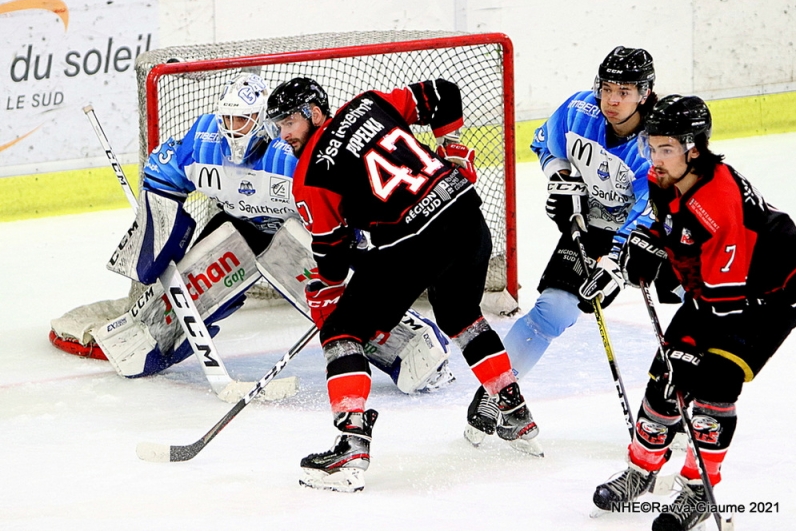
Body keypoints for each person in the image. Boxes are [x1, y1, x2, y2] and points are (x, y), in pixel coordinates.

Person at [91, 72, 453, 395]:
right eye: (228, 118)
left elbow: (347, 195)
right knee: (206, 266)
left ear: (264, 121)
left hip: (299, 230)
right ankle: (151, 332)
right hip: (240, 225)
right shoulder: (205, 139)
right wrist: (158, 227)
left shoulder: (294, 154)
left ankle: (406, 344)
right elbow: (162, 170)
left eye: (244, 120)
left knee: (323, 286)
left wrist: (358, 242)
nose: (233, 128)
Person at [266, 76, 541, 492]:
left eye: (290, 122)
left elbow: (332, 253)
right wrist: (449, 146)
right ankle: (514, 411)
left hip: (416, 242)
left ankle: (350, 445)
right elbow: (446, 91)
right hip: (466, 218)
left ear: (315, 112)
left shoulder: (308, 176)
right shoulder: (370, 102)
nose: (284, 134)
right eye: (278, 126)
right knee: (461, 315)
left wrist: (326, 289)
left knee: (342, 330)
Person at [592, 95, 796, 531]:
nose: (655, 159)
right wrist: (648, 245)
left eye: (666, 149)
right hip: (716, 290)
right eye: (652, 146)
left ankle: (696, 492)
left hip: (767, 300)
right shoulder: (665, 177)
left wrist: (666, 264)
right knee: (665, 382)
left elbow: (722, 305)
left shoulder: (720, 203)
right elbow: (669, 225)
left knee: (711, 393)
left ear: (695, 148)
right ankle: (642, 471)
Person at [464, 46, 658, 445]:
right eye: (606, 88)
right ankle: (496, 391)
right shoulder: (579, 110)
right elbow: (544, 143)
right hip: (593, 224)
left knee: (693, 322)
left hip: (654, 234)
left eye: (624, 90)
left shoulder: (657, 140)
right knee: (553, 309)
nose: (612, 99)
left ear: (645, 92)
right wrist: (562, 177)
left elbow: (652, 208)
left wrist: (617, 261)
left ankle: (678, 419)